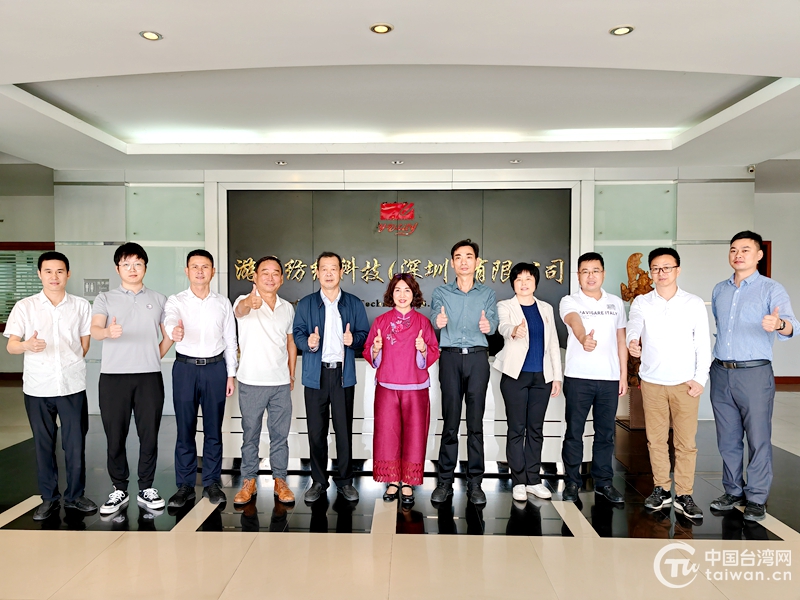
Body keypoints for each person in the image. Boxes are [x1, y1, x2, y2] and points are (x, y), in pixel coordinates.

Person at [709, 231, 798, 521]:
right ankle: (733, 490)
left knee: (758, 438)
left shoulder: (771, 289)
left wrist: (779, 324)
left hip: (754, 373)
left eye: (745, 250)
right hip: (721, 371)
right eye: (733, 249)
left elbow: (793, 325)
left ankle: (757, 497)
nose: (738, 255)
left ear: (759, 255)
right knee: (727, 437)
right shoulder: (720, 290)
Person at [4, 251, 96, 520]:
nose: (54, 277)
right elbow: (11, 345)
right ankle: (49, 498)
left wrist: (70, 362)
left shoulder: (81, 305)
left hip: (71, 386)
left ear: (68, 274)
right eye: (48, 271)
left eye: (59, 271)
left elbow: (85, 343)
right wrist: (26, 345)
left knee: (75, 444)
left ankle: (75, 496)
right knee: (43, 445)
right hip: (37, 387)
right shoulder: (25, 306)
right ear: (39, 274)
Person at [627, 247, 711, 521]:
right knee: (656, 441)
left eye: (666, 267)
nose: (661, 273)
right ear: (651, 272)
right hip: (652, 382)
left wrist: (700, 379)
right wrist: (632, 340)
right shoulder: (642, 302)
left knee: (686, 443)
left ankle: (685, 494)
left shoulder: (693, 303)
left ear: (677, 270)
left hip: (685, 384)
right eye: (656, 268)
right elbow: (634, 324)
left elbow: (702, 344)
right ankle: (661, 488)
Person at [91, 242, 172, 515]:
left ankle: (147, 487)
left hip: (149, 377)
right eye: (126, 264)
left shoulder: (159, 299)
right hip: (113, 378)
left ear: (145, 267)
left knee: (149, 434)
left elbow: (169, 335)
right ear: (118, 269)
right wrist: (108, 332)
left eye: (138, 263)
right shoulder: (105, 298)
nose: (132, 269)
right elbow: (95, 330)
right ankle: (119, 489)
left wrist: (153, 356)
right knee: (115, 435)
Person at [292, 251, 370, 504]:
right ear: (317, 273)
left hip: (342, 376)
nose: (328, 273)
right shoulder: (306, 304)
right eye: (324, 269)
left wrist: (353, 340)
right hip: (315, 376)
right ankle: (318, 480)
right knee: (316, 432)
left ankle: (345, 481)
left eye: (333, 268)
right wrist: (308, 342)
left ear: (341, 272)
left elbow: (364, 335)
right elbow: (297, 333)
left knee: (343, 430)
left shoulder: (353, 303)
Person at [164, 250, 238, 507]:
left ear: (212, 272)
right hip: (185, 369)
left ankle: (212, 483)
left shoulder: (222, 303)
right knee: (185, 429)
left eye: (205, 266)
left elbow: (230, 340)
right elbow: (169, 320)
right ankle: (185, 485)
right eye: (194, 266)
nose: (199, 271)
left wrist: (231, 374)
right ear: (186, 271)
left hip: (215, 369)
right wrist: (173, 330)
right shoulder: (176, 300)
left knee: (213, 429)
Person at [430, 239, 499, 506]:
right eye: (458, 257)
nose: (463, 261)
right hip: (449, 358)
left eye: (468, 257)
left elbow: (493, 323)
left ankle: (475, 483)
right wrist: (438, 321)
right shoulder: (441, 292)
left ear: (477, 262)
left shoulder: (488, 293)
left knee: (475, 424)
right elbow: (434, 317)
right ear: (452, 263)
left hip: (478, 359)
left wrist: (488, 326)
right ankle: (444, 482)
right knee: (450, 423)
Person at [363, 274, 440, 506]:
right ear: (391, 294)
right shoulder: (381, 321)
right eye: (397, 290)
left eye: (407, 290)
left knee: (415, 434)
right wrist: (376, 348)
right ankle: (393, 480)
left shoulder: (423, 322)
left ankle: (408, 481)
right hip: (387, 386)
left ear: (414, 294)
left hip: (416, 387)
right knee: (387, 433)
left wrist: (423, 348)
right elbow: (368, 350)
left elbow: (434, 351)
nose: (402, 295)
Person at [559, 252, 628, 504]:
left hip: (609, 378)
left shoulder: (615, 303)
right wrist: (582, 338)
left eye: (595, 270)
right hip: (578, 377)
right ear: (578, 275)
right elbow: (574, 320)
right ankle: (571, 482)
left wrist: (623, 375)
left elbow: (621, 340)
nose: (590, 276)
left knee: (605, 433)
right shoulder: (569, 300)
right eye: (585, 271)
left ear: (603, 274)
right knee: (574, 432)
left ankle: (604, 482)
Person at [494, 262, 562, 502]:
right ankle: (519, 481)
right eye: (519, 279)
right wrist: (514, 330)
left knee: (536, 429)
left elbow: (553, 343)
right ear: (513, 283)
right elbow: (502, 326)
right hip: (515, 376)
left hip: (541, 377)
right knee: (516, 429)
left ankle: (533, 479)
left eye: (528, 279)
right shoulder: (505, 306)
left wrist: (557, 376)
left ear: (535, 282)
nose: (524, 283)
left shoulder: (546, 308)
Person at [232, 256, 297, 506]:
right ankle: (249, 481)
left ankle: (280, 480)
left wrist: (291, 374)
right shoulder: (244, 301)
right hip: (251, 382)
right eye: (265, 273)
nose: (270, 278)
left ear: (281, 279)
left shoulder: (287, 308)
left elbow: (290, 343)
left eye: (275, 273)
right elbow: (240, 311)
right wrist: (249, 302)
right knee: (250, 435)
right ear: (255, 277)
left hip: (280, 383)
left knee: (280, 436)